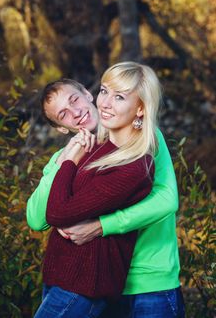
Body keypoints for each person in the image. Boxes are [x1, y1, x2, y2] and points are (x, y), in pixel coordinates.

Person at [27, 65, 185, 317]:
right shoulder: (67, 157)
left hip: (148, 276)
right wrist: (61, 163)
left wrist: (102, 225)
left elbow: (166, 200)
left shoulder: (143, 137)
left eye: (75, 99)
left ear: (87, 94)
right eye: (64, 114)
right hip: (100, 278)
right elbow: (37, 219)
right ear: (60, 128)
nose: (76, 113)